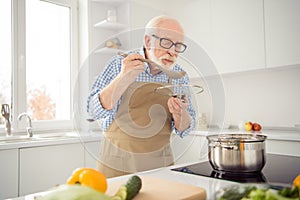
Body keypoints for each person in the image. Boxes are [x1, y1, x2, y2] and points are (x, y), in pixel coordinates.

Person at [87, 15, 196, 178]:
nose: (172, 51)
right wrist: (122, 78)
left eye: (178, 46)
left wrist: (181, 114)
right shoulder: (119, 64)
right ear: (147, 41)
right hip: (116, 166)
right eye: (166, 42)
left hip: (161, 168)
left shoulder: (179, 76)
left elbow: (185, 128)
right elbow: (92, 111)